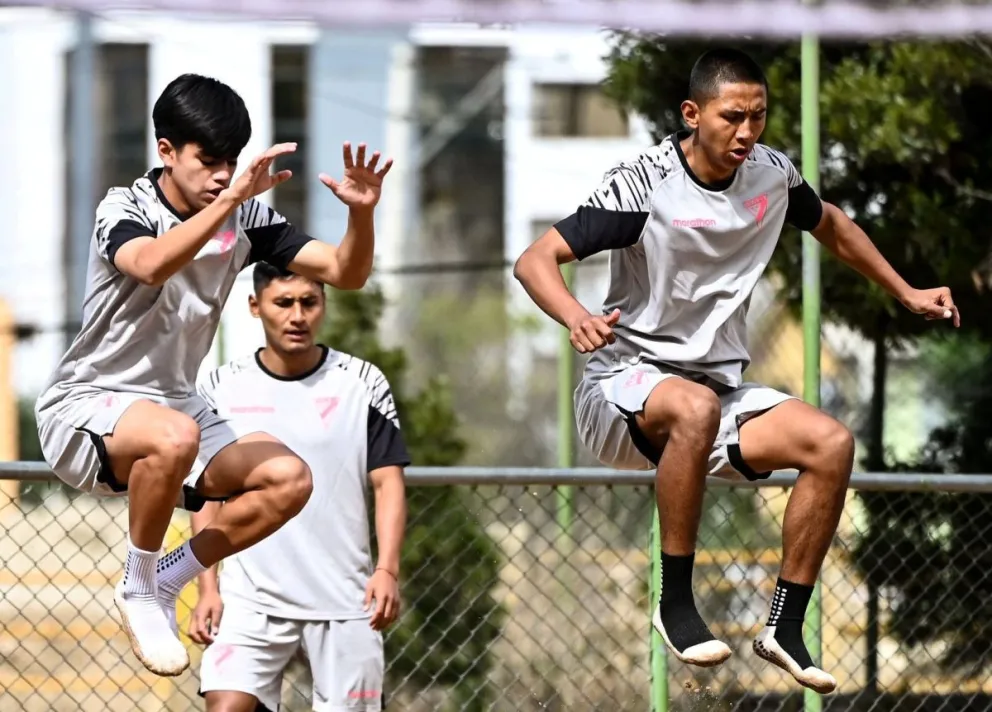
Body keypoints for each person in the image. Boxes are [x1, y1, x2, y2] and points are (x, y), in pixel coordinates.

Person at [512, 48, 959, 694]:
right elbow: (535, 260)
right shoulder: (644, 185)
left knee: (830, 445)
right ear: (692, 114)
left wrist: (906, 290)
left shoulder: (772, 175)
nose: (747, 133)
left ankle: (785, 624)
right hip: (620, 388)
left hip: (717, 393)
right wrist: (575, 316)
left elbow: (830, 224)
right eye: (732, 117)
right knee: (692, 406)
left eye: (759, 117)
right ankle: (675, 604)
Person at [34, 73, 394, 677]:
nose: (224, 176)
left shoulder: (243, 215)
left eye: (231, 162)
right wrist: (229, 204)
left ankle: (166, 579)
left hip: (177, 408)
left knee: (288, 479)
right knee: (172, 434)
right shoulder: (123, 206)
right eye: (209, 161)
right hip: (86, 406)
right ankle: (139, 583)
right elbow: (148, 264)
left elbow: (344, 272)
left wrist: (361, 218)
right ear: (166, 151)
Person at [188, 262, 408, 712]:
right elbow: (205, 497)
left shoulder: (362, 383)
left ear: (323, 304)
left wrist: (386, 569)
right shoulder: (220, 387)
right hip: (248, 598)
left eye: (309, 302)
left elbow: (388, 485)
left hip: (345, 599)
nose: (297, 316)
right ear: (255, 306)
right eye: (283, 303)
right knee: (225, 706)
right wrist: (207, 588)